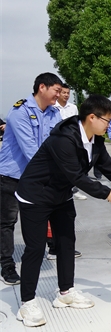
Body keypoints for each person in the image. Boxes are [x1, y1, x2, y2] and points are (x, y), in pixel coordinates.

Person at [15, 95, 111, 327]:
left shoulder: (96, 140)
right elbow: (76, 176)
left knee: (66, 243)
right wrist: (106, 193)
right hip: (36, 196)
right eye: (107, 120)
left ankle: (65, 292)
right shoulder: (63, 139)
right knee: (35, 249)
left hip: (61, 195)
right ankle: (27, 303)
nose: (108, 126)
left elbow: (109, 167)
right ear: (92, 117)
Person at [0, 72, 63, 286]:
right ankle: (7, 265)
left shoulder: (54, 113)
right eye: (56, 90)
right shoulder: (20, 112)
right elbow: (31, 151)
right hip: (13, 176)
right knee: (7, 222)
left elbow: (59, 142)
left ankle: (51, 247)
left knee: (42, 216)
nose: (59, 95)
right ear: (42, 87)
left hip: (38, 177)